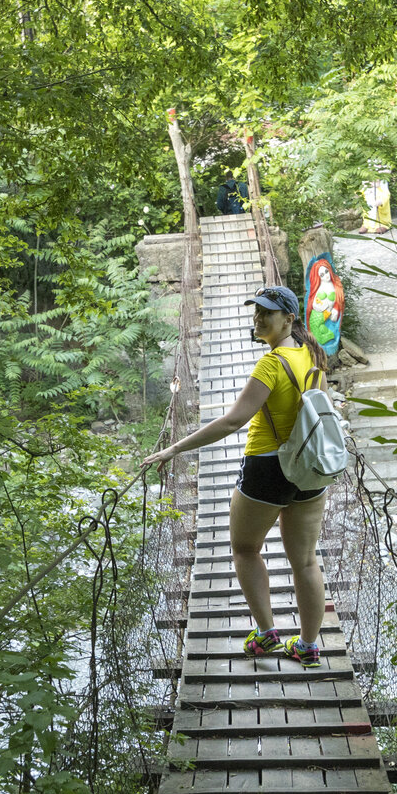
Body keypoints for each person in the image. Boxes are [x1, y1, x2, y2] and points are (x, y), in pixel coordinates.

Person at [143, 285, 329, 667]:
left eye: (268, 313)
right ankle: (308, 647)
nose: (259, 318)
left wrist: (175, 448)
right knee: (306, 561)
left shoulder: (272, 364)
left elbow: (234, 420)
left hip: (267, 467)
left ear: (289, 320)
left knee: (245, 549)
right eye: (257, 311)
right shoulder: (312, 354)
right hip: (311, 466)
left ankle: (266, 634)